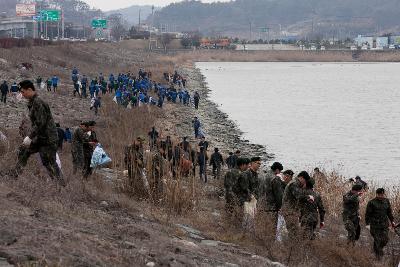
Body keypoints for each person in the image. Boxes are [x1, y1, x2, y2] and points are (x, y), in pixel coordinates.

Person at [9, 80, 65, 186]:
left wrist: (29, 137)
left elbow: (40, 123)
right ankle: (14, 175)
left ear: (30, 90)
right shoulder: (32, 102)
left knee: (49, 162)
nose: (22, 94)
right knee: (23, 151)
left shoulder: (39, 102)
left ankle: (61, 186)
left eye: (23, 91)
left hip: (48, 139)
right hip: (39, 137)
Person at [365, 188, 396, 260]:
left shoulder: (386, 201)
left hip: (384, 224)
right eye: (380, 195)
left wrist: (392, 221)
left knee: (385, 240)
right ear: (377, 194)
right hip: (374, 225)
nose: (382, 196)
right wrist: (367, 224)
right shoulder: (371, 202)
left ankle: (377, 249)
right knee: (377, 240)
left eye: (383, 194)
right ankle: (378, 256)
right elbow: (367, 214)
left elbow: (389, 212)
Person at [281, 171, 312, 240]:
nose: (305, 183)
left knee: (293, 232)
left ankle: (292, 248)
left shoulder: (296, 184)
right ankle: (292, 249)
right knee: (293, 233)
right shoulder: (294, 184)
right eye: (305, 180)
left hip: (291, 211)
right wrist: (308, 197)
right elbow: (298, 195)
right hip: (289, 212)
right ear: (301, 178)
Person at [262, 162, 284, 228]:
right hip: (272, 207)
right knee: (272, 227)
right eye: (280, 171)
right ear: (277, 169)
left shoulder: (263, 176)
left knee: (264, 227)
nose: (279, 173)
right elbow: (278, 196)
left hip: (262, 205)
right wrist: (280, 207)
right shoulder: (275, 179)